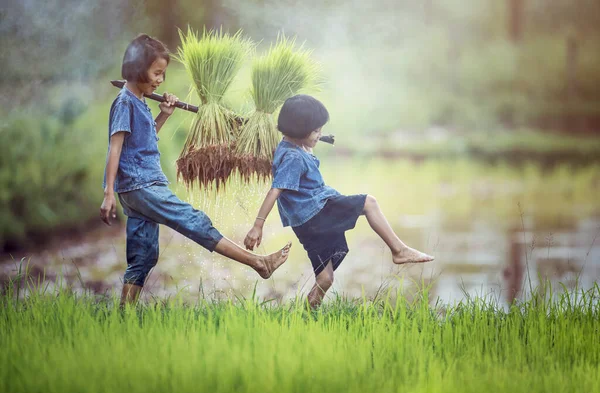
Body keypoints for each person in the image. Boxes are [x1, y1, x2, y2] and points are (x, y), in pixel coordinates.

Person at [100, 34, 291, 306]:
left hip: (144, 185)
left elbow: (142, 141)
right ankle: (258, 263)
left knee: (144, 255)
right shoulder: (124, 103)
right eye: (156, 73)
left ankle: (124, 316)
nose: (160, 81)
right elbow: (115, 148)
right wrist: (109, 192)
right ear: (137, 69)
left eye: (163, 74)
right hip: (140, 186)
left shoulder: (139, 100)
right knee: (193, 220)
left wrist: (164, 114)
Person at [244, 94, 434, 309]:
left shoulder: (290, 146)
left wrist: (312, 139)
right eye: (316, 131)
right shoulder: (293, 157)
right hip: (317, 211)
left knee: (325, 279)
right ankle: (399, 250)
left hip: (306, 224)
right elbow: (276, 189)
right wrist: (257, 225)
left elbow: (300, 146)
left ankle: (307, 317)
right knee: (369, 203)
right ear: (300, 131)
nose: (320, 135)